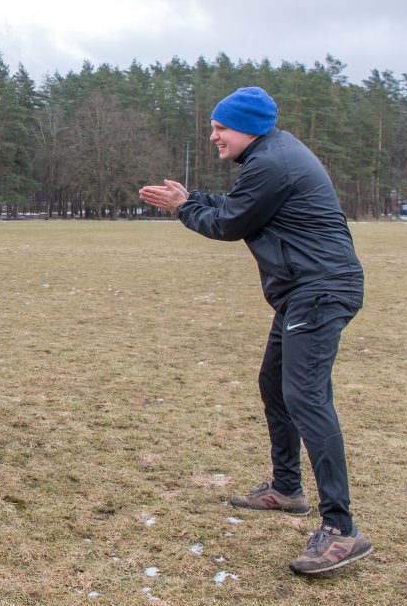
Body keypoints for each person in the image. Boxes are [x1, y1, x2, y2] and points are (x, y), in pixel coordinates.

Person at [139, 87, 373, 575]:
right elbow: (237, 207)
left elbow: (228, 223)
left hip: (320, 289)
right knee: (275, 384)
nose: (213, 136)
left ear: (247, 127)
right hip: (304, 291)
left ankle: (341, 529)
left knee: (306, 396)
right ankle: (286, 489)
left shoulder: (272, 162)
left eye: (221, 128)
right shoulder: (270, 157)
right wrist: (192, 199)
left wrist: (184, 208)